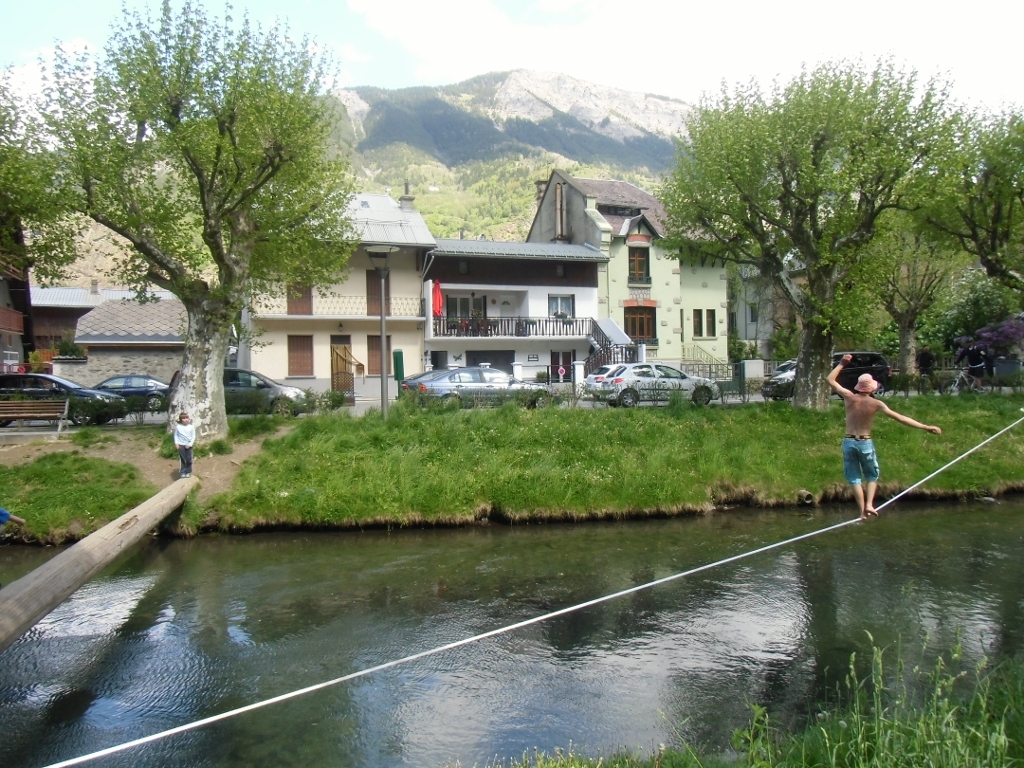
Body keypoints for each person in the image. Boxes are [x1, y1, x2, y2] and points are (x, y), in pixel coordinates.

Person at [827, 354, 942, 520]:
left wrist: (842, 364)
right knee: (872, 475)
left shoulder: (849, 397)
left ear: (858, 386)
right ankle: (869, 505)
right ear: (872, 389)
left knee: (854, 478)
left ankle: (861, 512)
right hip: (864, 442)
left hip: (848, 441)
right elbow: (900, 418)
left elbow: (830, 380)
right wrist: (925, 427)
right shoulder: (876, 404)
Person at [174, 412, 196, 479]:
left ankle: (188, 471)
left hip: (188, 445)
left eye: (187, 418)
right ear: (181, 419)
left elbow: (193, 436)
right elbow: (176, 435)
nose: (186, 419)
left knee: (189, 459)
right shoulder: (178, 427)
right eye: (184, 418)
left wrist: (190, 444)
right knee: (183, 459)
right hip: (181, 445)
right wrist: (176, 443)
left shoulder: (191, 427)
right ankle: (183, 472)